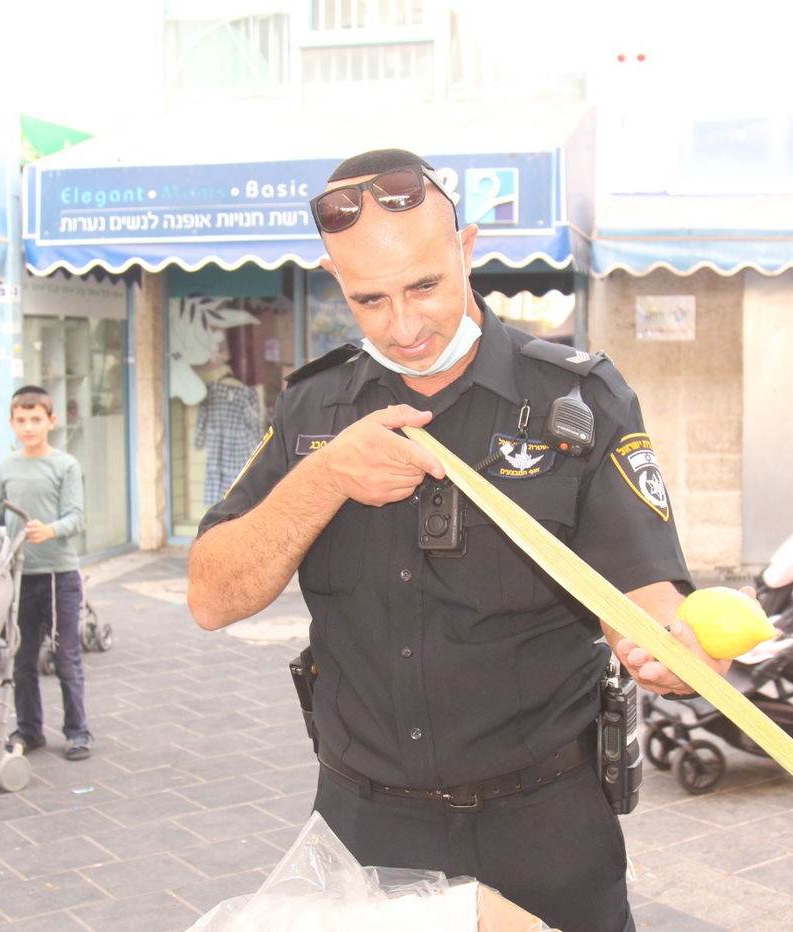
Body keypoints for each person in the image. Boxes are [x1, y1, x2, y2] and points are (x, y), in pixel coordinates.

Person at [186, 148, 729, 932]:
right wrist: (325, 476)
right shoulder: (313, 409)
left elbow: (644, 599)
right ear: (337, 280)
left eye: (425, 286)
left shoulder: (577, 401)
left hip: (546, 824)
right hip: (365, 833)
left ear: (467, 248)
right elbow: (211, 596)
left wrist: (677, 654)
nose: (402, 326)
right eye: (369, 299)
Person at [0, 385, 91, 761]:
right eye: (22, 420)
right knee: (21, 657)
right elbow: (5, 514)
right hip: (18, 576)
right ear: (11, 423)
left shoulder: (65, 465)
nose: (29, 427)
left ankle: (77, 731)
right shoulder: (10, 465)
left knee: (65, 655)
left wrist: (52, 529)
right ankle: (29, 730)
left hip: (57, 574)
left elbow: (76, 518)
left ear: (51, 421)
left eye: (36, 420)